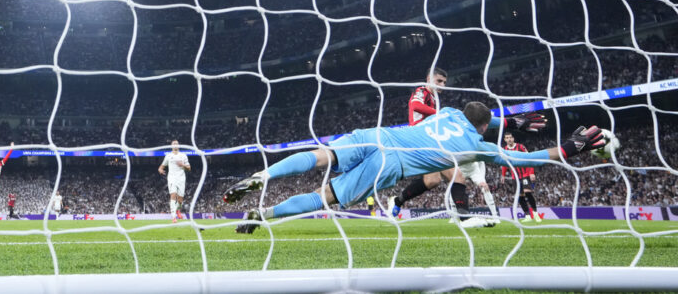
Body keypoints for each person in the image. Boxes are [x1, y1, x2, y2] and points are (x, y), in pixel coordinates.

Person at [223, 103, 604, 234]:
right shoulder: (476, 146)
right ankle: (264, 213)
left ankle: (264, 176)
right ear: (484, 129)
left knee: (324, 156)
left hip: (378, 134)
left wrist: (511, 122)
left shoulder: (451, 111)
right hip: (391, 163)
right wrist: (568, 148)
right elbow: (523, 159)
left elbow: (478, 116)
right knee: (326, 195)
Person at [389, 70, 523, 227]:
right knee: (456, 175)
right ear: (428, 79)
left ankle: (397, 200)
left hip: (433, 141)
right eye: (439, 81)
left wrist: (509, 122)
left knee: (434, 180)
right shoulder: (421, 91)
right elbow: (415, 105)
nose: (442, 85)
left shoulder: (434, 98)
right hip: (420, 140)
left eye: (444, 82)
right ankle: (465, 219)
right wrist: (440, 115)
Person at [501, 131, 540, 222]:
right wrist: (503, 175)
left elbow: (529, 158)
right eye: (507, 138)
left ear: (513, 138)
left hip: (525, 174)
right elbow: (505, 163)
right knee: (520, 195)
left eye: (510, 137)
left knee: (527, 192)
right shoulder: (504, 150)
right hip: (515, 176)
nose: (509, 139)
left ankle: (535, 212)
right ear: (505, 140)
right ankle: (527, 215)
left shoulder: (521, 147)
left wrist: (531, 172)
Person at [159, 140, 191, 223]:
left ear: (179, 146)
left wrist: (182, 165)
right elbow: (161, 167)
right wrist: (160, 170)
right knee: (173, 195)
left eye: (176, 144)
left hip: (181, 179)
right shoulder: (168, 156)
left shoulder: (183, 156)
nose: (175, 145)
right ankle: (173, 217)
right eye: (174, 144)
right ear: (171, 146)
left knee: (180, 200)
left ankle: (178, 210)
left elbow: (189, 168)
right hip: (172, 178)